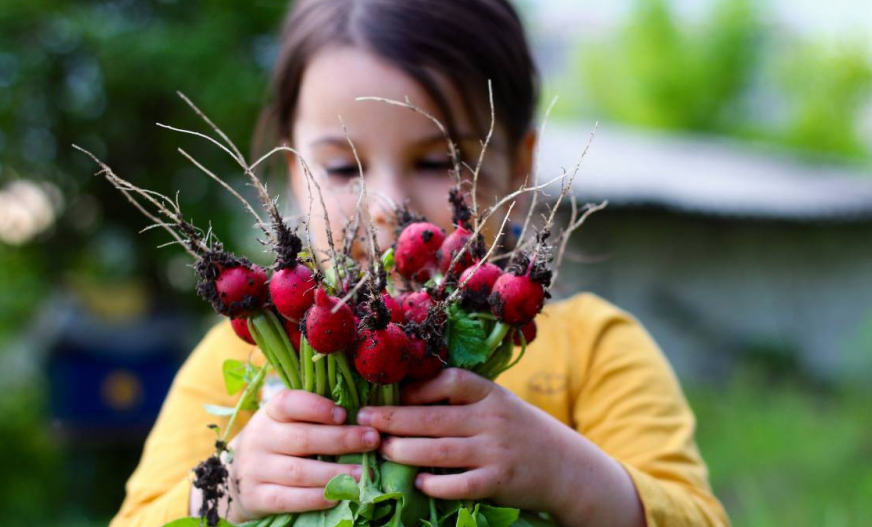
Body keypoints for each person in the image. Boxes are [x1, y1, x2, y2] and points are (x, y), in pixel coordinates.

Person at [111, 0, 728, 526]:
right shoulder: (235, 357)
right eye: (343, 168)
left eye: (438, 163)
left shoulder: (594, 350)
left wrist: (566, 473)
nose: (388, 209)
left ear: (518, 166)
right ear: (296, 174)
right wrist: (225, 488)